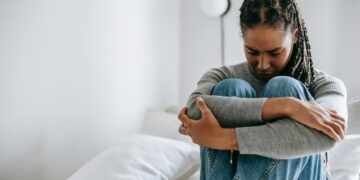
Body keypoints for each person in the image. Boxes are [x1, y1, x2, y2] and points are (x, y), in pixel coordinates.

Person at [177, 0, 348, 179]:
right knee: (230, 88)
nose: (263, 64)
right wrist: (289, 106)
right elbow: (195, 110)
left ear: (295, 35)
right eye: (252, 51)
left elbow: (329, 135)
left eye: (274, 52)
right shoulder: (221, 75)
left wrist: (226, 138)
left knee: (285, 86)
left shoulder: (324, 85)